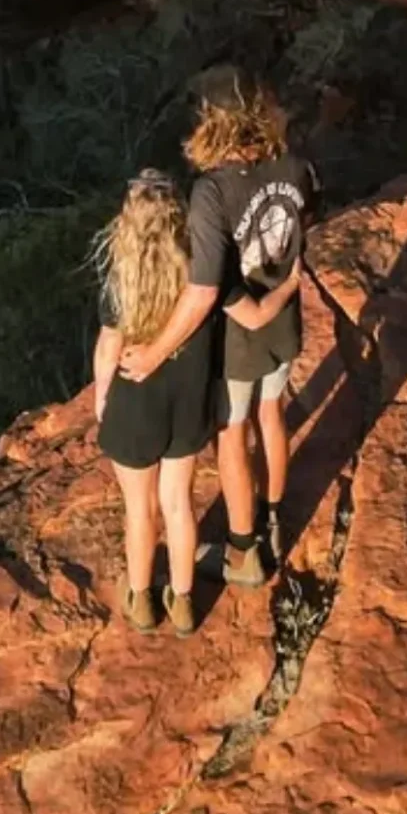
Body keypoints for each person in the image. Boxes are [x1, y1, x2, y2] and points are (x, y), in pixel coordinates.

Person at [118, 76, 312, 591]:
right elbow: (300, 230)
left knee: (233, 435)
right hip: (284, 320)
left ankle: (244, 552)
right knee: (274, 415)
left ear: (219, 124)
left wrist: (155, 354)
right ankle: (273, 520)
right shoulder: (295, 165)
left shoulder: (212, 191)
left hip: (239, 337)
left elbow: (203, 291)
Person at [91, 169, 214, 633]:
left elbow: (108, 345)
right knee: (178, 502)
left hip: (135, 400)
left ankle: (141, 600)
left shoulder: (120, 278)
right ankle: (183, 603)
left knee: (138, 509)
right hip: (187, 394)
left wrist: (103, 395)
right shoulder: (201, 263)